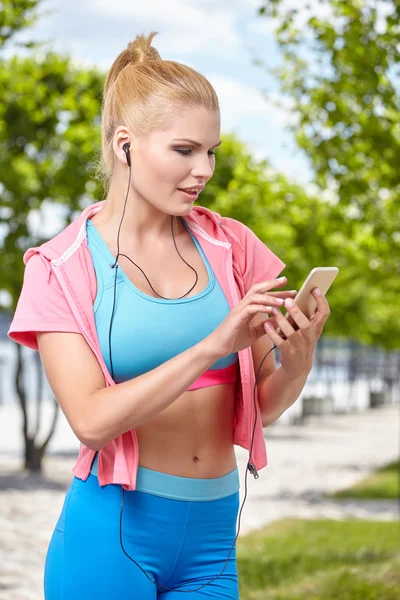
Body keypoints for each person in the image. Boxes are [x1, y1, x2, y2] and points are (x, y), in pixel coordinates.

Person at [8, 32, 330, 599]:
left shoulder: (233, 247)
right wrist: (213, 345)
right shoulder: (60, 268)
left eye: (212, 151)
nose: (203, 169)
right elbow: (90, 420)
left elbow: (261, 409)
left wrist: (297, 364)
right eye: (184, 150)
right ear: (126, 145)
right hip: (113, 535)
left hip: (212, 537)